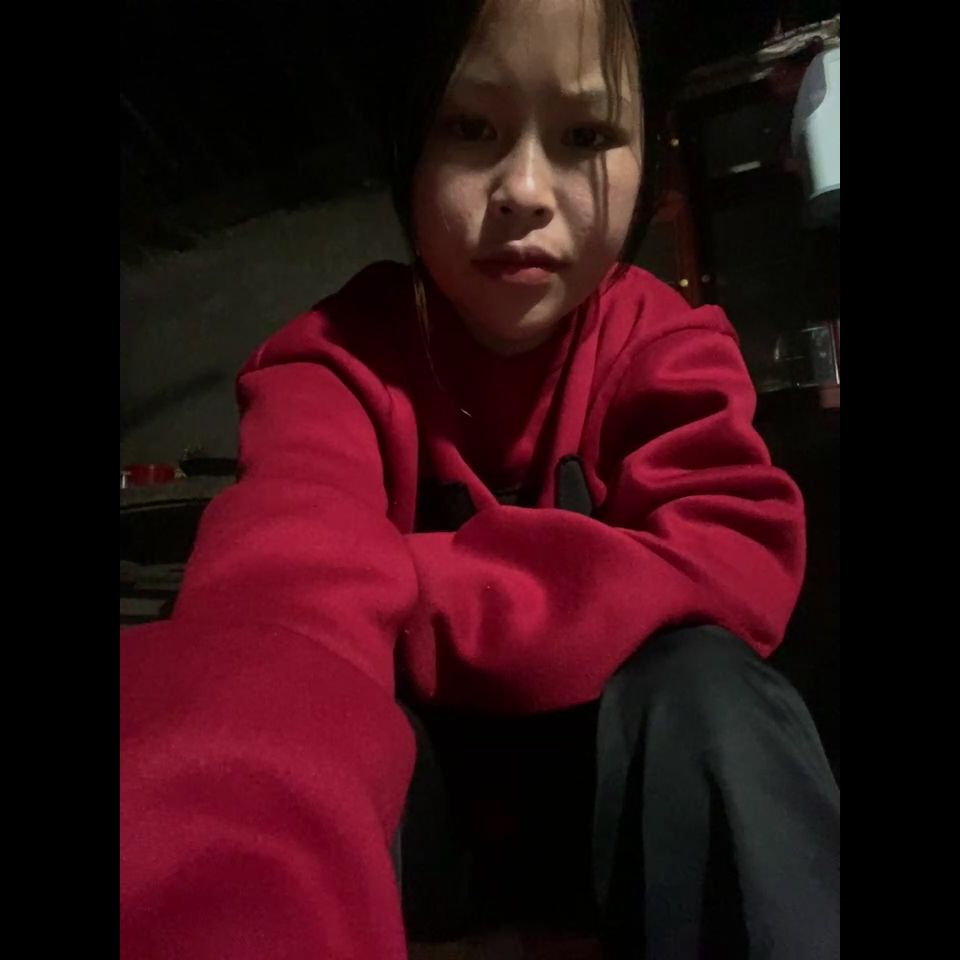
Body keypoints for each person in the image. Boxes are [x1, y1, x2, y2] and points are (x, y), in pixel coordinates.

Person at [120, 1, 839, 956]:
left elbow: (732, 551)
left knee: (712, 694)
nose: (525, 191)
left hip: (621, 807)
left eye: (585, 135)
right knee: (276, 703)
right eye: (469, 128)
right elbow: (279, 613)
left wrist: (393, 581)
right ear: (407, 148)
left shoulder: (668, 345)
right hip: (419, 807)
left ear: (647, 160)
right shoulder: (329, 367)